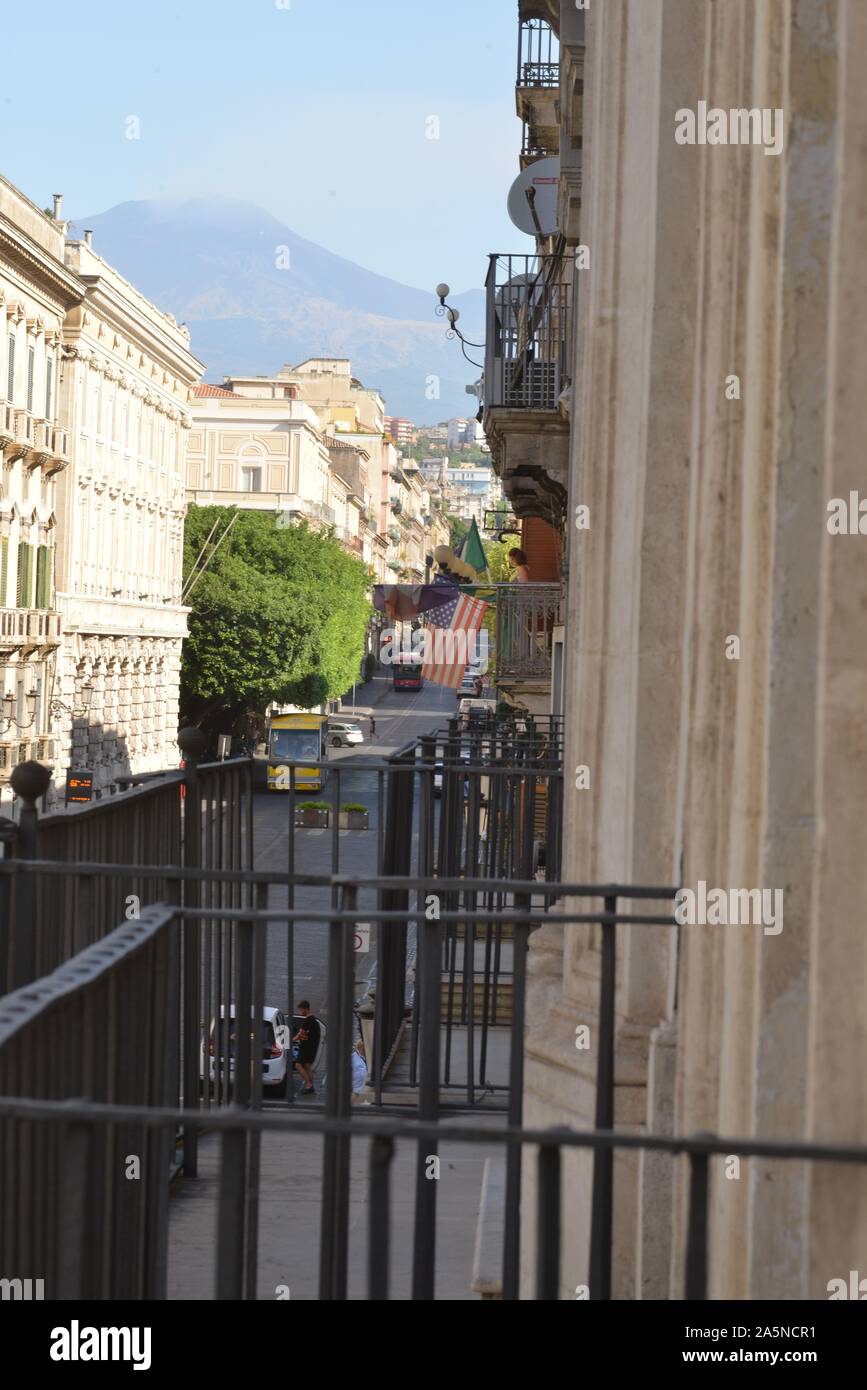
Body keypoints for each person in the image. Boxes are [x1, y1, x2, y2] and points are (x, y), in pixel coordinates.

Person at [292, 1000, 321, 1095]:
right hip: (312, 1048)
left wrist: (290, 1040)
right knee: (307, 1066)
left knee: (298, 1065)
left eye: (300, 1010)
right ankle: (311, 1086)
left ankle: (308, 1085)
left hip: (306, 1048)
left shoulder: (308, 1021)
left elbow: (300, 1034)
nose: (300, 1012)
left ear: (305, 1009)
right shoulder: (314, 1021)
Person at [351, 1038, 369, 1105]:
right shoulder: (355, 1060)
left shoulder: (364, 1058)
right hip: (356, 1093)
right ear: (362, 1047)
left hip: (362, 1092)